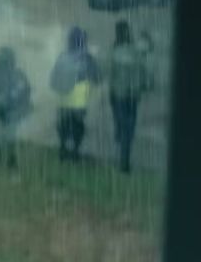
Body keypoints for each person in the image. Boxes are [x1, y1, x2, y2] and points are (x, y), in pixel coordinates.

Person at [107, 20, 154, 173]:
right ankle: (124, 158)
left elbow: (108, 73)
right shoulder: (136, 53)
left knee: (122, 122)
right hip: (132, 96)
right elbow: (145, 72)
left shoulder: (114, 52)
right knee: (130, 126)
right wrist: (146, 86)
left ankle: (121, 138)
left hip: (118, 94)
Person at [48, 26, 100, 160]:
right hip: (79, 97)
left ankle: (63, 147)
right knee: (78, 124)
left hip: (63, 95)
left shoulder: (62, 56)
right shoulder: (87, 58)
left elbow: (54, 77)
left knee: (63, 123)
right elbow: (97, 77)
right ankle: (75, 150)